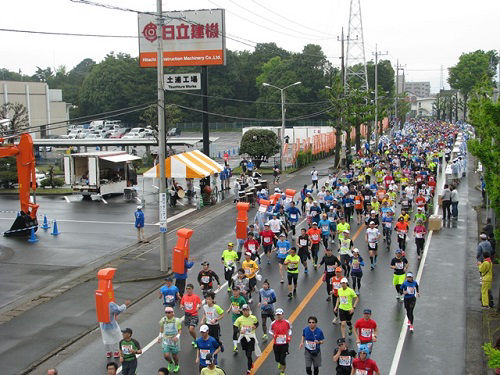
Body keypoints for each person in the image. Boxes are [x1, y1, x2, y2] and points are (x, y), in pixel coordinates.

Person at [234, 304, 260, 374]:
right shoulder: (239, 319)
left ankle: (248, 370)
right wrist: (240, 331)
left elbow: (257, 323)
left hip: (251, 337)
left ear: (249, 310)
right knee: (246, 354)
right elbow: (235, 328)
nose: (245, 312)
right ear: (242, 311)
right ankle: (250, 363)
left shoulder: (253, 318)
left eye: (247, 310)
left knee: (249, 354)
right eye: (244, 310)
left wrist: (255, 326)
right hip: (243, 338)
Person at [158, 306, 182, 373]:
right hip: (166, 339)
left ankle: (176, 365)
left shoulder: (177, 320)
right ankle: (170, 362)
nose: (167, 314)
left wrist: (177, 336)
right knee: (166, 355)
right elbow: (161, 328)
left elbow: (180, 330)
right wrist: (160, 336)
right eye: (166, 312)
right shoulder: (163, 320)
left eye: (169, 312)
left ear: (172, 313)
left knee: (174, 356)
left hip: (174, 340)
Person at [269, 308, 292, 375]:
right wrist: (273, 335)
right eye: (277, 315)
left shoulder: (287, 322)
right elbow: (270, 331)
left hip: (284, 344)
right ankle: (279, 362)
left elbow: (290, 329)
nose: (278, 316)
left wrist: (289, 336)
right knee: (277, 359)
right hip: (276, 344)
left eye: (280, 314)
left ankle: (282, 371)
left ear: (283, 315)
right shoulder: (273, 323)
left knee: (282, 359)